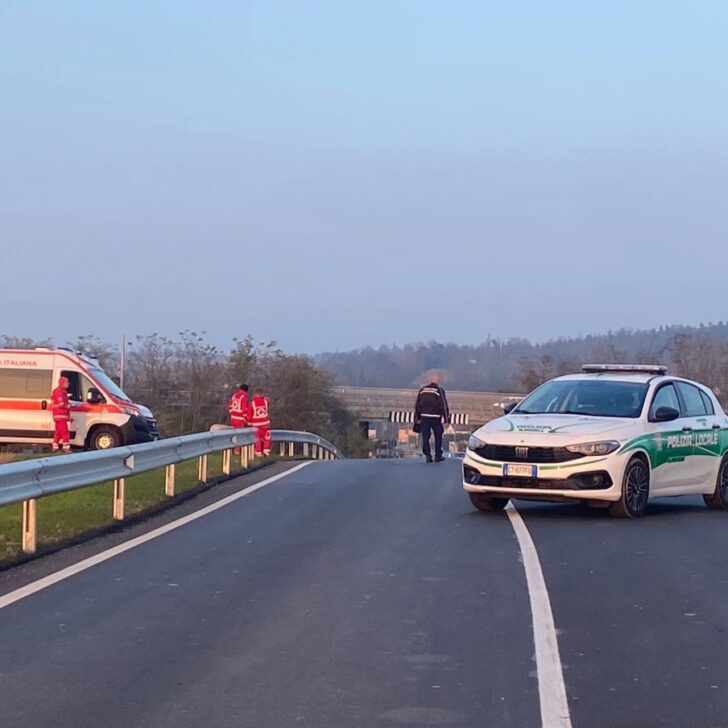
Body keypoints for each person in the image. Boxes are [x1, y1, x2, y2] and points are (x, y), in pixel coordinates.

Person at [414, 374, 450, 463]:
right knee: (438, 435)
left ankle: (428, 455)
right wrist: (446, 419)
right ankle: (438, 455)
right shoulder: (439, 390)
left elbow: (417, 405)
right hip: (436, 417)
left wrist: (418, 417)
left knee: (425, 436)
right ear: (438, 381)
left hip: (424, 416)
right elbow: (444, 405)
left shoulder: (422, 390)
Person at [51, 375, 73, 453]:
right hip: (60, 415)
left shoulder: (61, 391)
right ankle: (66, 447)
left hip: (59, 415)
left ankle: (55, 446)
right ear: (63, 383)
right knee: (64, 431)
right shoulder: (60, 392)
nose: (68, 383)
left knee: (58, 431)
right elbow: (61, 404)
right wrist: (69, 406)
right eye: (67, 382)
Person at [248, 387, 271, 457]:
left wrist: (249, 422)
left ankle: (258, 452)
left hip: (256, 424)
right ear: (262, 394)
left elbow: (249, 413)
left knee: (257, 438)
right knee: (266, 437)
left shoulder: (252, 403)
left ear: (255, 394)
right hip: (265, 423)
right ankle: (266, 451)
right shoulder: (265, 402)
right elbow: (268, 403)